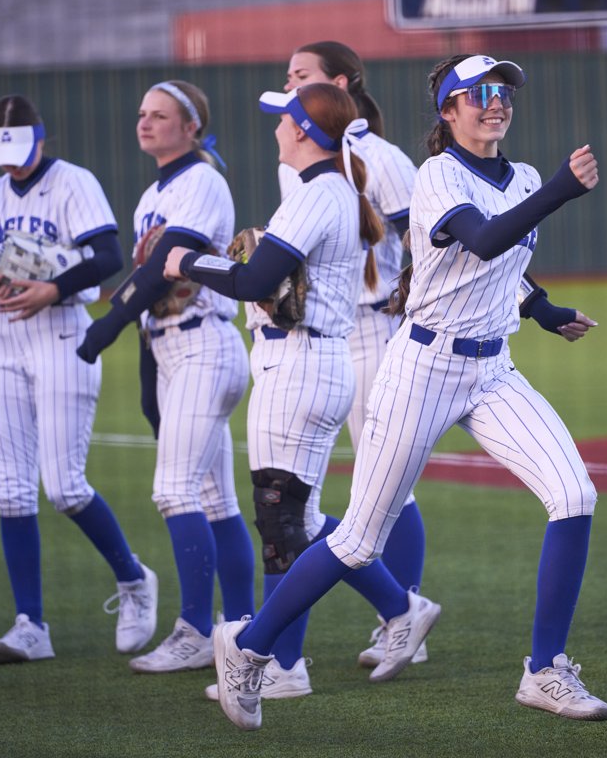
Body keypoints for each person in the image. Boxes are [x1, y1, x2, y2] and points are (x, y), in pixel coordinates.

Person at [198, 55, 607, 731]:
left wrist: (541, 309)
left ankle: (545, 669)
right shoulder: (441, 175)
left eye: (501, 90)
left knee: (575, 495)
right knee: (358, 540)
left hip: (493, 369)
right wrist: (561, 189)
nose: (493, 101)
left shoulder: (526, 176)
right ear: (447, 112)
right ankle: (246, 649)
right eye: (475, 93)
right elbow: (480, 239)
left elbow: (504, 267)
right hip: (421, 369)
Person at [163, 83, 422, 702]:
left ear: (304, 131)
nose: (277, 127)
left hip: (297, 365)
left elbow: (257, 278)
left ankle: (280, 666)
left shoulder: (316, 194)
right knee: (301, 518)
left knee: (280, 521)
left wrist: (187, 263)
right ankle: (401, 607)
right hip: (318, 360)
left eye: (285, 119)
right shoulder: (335, 190)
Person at [75, 81, 256, 673]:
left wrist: (109, 320)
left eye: (161, 115)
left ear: (191, 126)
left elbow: (165, 264)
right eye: (141, 114)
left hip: (204, 343)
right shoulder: (155, 190)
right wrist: (145, 364)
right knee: (214, 498)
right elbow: (153, 291)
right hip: (173, 348)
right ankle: (245, 628)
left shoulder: (201, 179)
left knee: (173, 491)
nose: (146, 123)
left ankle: (196, 631)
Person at [0, 94, 157, 663]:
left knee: (64, 485)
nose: (12, 164)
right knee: (10, 488)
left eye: (20, 151)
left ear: (41, 139)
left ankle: (133, 579)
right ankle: (30, 623)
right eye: (2, 154)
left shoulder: (73, 181)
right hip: (5, 337)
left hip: (60, 331)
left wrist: (52, 285)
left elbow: (108, 257)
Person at [279, 41, 427, 667]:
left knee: (387, 481)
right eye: (288, 76)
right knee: (367, 482)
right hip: (324, 332)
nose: (291, 86)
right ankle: (400, 616)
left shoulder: (380, 157)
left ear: (339, 84)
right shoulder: (299, 154)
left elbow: (428, 237)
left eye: (304, 76)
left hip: (373, 332)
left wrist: (410, 297)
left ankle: (405, 616)